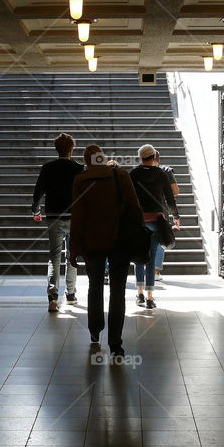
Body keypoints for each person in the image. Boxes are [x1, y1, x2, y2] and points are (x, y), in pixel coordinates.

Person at [70, 144, 143, 355]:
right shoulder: (120, 174)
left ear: (86, 161)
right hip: (119, 241)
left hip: (92, 243)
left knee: (95, 287)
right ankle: (115, 343)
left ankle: (95, 331)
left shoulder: (81, 180)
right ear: (102, 158)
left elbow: (78, 217)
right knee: (118, 291)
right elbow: (134, 207)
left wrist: (74, 247)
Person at [32, 133, 84, 312]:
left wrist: (36, 210)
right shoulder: (79, 168)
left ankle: (53, 296)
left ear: (57, 149)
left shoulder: (48, 168)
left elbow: (38, 190)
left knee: (53, 257)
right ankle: (70, 294)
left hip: (54, 216)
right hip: (75, 218)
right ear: (72, 149)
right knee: (72, 256)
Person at [129, 144, 179, 310]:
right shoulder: (161, 174)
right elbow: (170, 198)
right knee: (151, 258)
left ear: (140, 158)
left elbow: (128, 198)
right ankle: (150, 297)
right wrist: (176, 216)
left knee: (139, 257)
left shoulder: (134, 174)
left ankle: (140, 294)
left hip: (139, 221)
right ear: (154, 157)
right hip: (157, 220)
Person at [153, 151, 180, 281]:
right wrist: (176, 216)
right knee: (159, 241)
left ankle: (143, 271)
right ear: (158, 159)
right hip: (161, 211)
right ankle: (156, 271)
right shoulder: (166, 171)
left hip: (144, 212)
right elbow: (175, 192)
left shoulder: (137, 172)